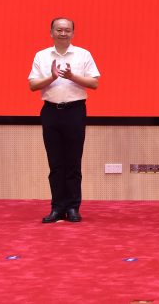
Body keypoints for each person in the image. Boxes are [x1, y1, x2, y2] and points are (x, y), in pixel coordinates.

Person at [28, 17, 100, 223]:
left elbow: (94, 83)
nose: (63, 33)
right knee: (56, 163)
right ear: (51, 32)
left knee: (73, 163)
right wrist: (52, 77)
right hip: (51, 112)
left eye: (67, 30)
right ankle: (57, 208)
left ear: (73, 33)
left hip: (75, 111)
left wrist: (72, 76)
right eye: (59, 29)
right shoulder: (41, 55)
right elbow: (32, 85)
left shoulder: (83, 54)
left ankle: (73, 207)